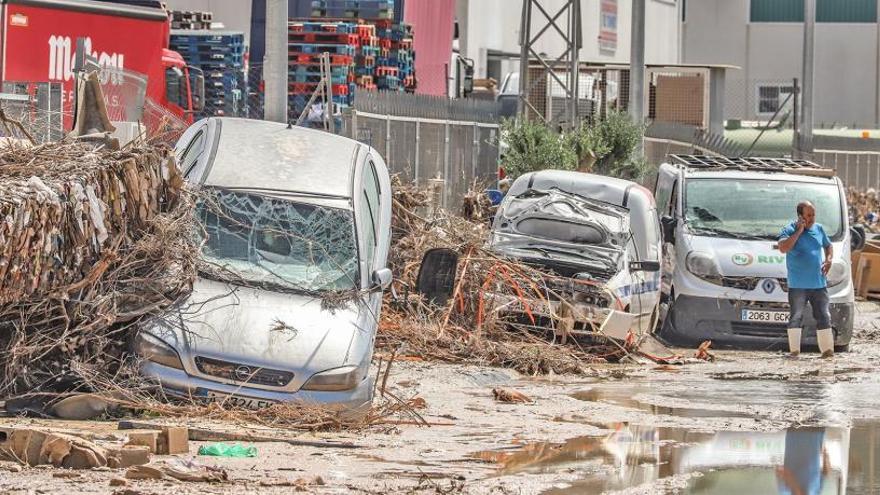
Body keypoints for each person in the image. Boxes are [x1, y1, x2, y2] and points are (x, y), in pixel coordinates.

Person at [777, 201, 834, 358]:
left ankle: (827, 351)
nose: (812, 218)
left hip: (819, 284)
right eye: (809, 215)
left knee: (824, 315)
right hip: (798, 286)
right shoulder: (789, 229)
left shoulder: (819, 229)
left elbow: (828, 246)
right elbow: (783, 248)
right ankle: (794, 352)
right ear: (800, 216)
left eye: (813, 214)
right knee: (796, 316)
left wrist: (829, 260)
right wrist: (799, 231)